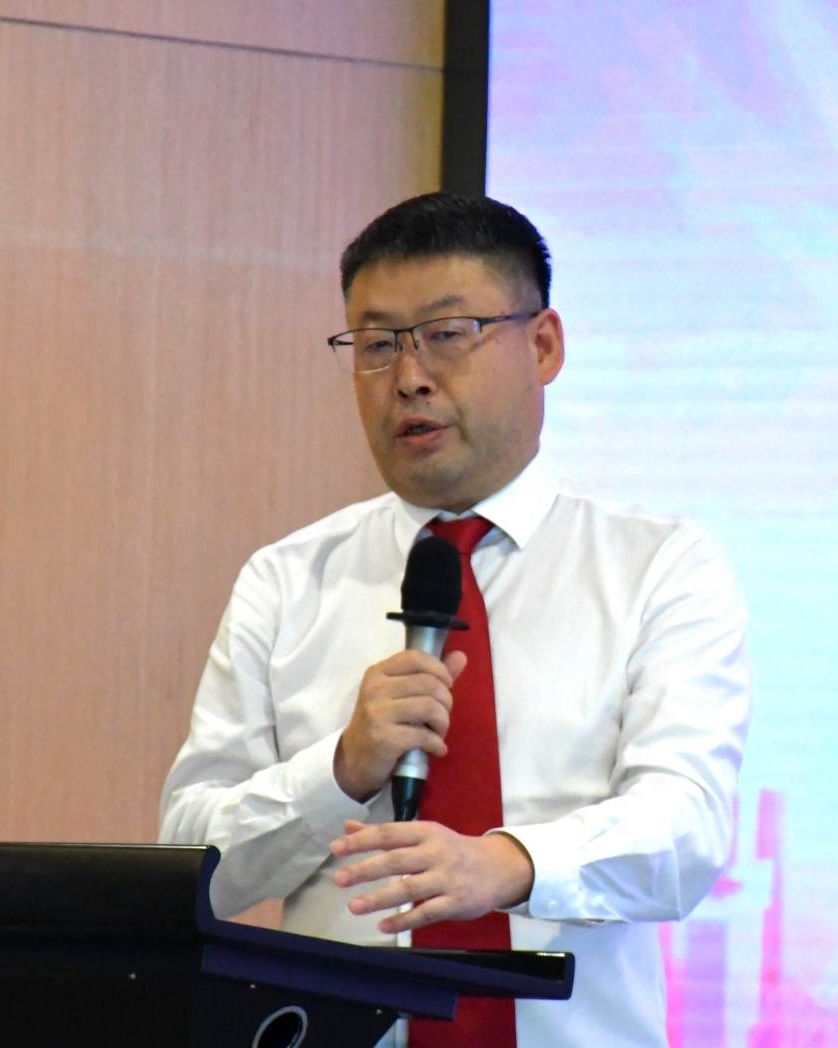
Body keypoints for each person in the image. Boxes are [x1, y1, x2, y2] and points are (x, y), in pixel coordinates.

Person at [159, 192, 751, 1046]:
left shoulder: (656, 567)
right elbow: (188, 867)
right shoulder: (287, 582)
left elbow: (686, 829)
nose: (409, 377)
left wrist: (507, 864)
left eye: (447, 333)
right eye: (376, 345)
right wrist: (339, 770)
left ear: (543, 346)